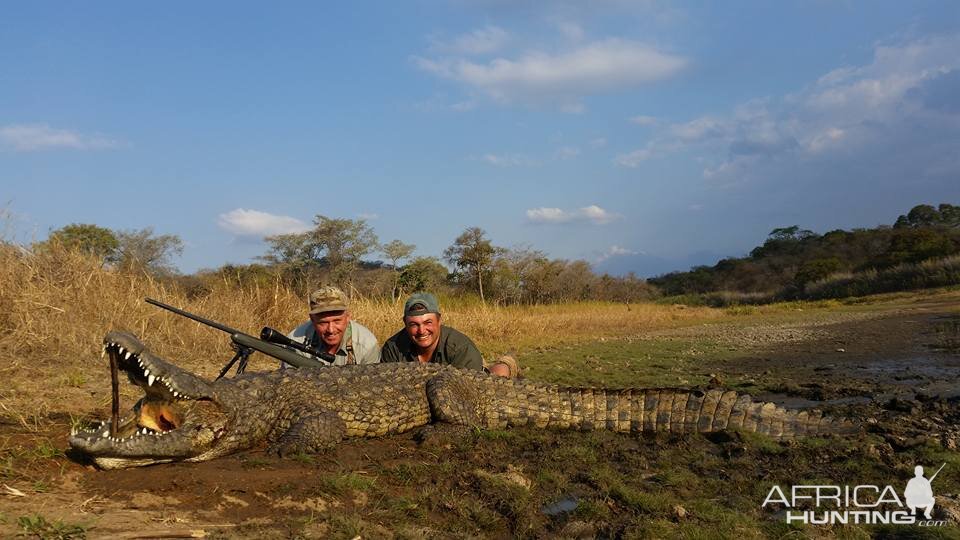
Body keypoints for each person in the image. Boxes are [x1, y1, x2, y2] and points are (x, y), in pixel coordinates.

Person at [380, 292, 518, 377]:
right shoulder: (392, 348)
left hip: (469, 371)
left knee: (497, 376)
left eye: (428, 322)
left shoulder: (461, 348)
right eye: (414, 324)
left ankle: (506, 362)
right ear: (405, 323)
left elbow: (468, 392)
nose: (421, 331)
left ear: (439, 320)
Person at [281, 285, 380, 367]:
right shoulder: (295, 342)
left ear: (348, 317)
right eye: (323, 323)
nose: (331, 330)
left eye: (337, 321)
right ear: (312, 319)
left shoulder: (367, 344)